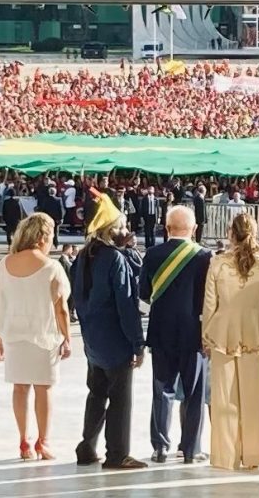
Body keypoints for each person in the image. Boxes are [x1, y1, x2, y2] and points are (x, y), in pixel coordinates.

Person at [71, 192, 147, 470]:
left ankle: (86, 446)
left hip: (93, 338)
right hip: (115, 340)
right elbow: (127, 305)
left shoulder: (83, 256)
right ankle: (117, 453)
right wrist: (138, 344)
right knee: (120, 399)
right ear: (112, 230)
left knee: (97, 394)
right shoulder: (114, 259)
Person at [0, 213, 72, 461]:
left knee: (20, 388)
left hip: (14, 335)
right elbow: (61, 308)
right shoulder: (52, 267)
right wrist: (67, 337)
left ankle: (24, 441)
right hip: (44, 335)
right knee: (44, 389)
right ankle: (43, 442)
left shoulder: (4, 264)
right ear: (42, 237)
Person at [203, 213, 259, 471]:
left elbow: (210, 303)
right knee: (255, 397)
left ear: (230, 233)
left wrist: (206, 334)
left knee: (224, 397)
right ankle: (255, 455)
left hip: (222, 331)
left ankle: (226, 456)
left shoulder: (217, 263)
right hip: (256, 330)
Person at [139, 205, 210, 463]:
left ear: (166, 228)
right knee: (193, 393)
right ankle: (190, 449)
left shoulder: (152, 254)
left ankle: (160, 447)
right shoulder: (204, 256)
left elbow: (144, 295)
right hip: (194, 333)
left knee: (162, 390)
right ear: (194, 229)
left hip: (161, 331)